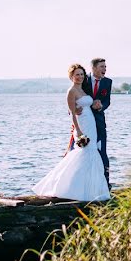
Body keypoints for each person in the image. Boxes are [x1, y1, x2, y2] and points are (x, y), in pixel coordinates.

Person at [33, 63, 110, 201]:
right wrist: (78, 131)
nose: (80, 77)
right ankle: (65, 187)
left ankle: (91, 190)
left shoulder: (84, 89)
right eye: (77, 75)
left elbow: (88, 104)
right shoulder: (71, 91)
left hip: (91, 123)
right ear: (71, 77)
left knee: (91, 154)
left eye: (81, 74)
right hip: (81, 125)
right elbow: (72, 114)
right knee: (82, 154)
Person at [82, 57, 112, 189]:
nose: (104, 69)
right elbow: (76, 97)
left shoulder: (108, 82)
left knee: (102, 151)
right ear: (93, 68)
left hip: (99, 122)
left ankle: (105, 182)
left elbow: (107, 101)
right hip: (84, 122)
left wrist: (101, 106)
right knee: (81, 150)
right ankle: (83, 182)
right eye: (102, 67)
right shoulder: (83, 79)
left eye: (105, 67)